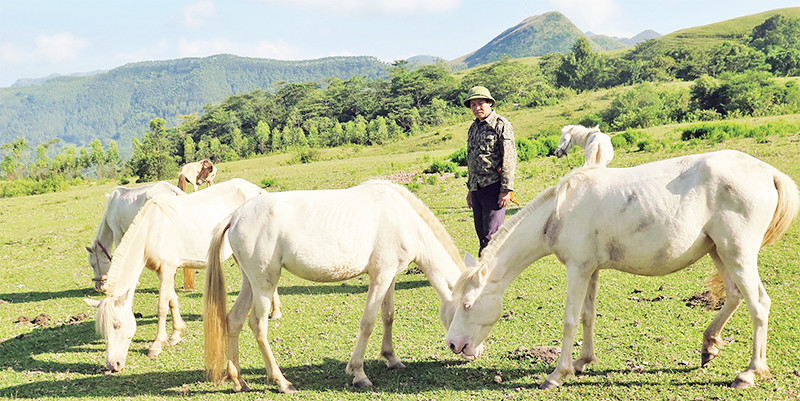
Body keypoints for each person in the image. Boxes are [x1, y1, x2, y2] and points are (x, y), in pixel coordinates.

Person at [464, 86, 516, 256]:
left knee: (491, 237)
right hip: (478, 188)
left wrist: (506, 189)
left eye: (480, 104)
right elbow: (471, 158)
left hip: (495, 187)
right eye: (473, 105)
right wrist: (471, 190)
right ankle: (488, 271)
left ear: (490, 103)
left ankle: (486, 274)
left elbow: (509, 158)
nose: (477, 108)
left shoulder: (501, 125)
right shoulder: (474, 128)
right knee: (481, 234)